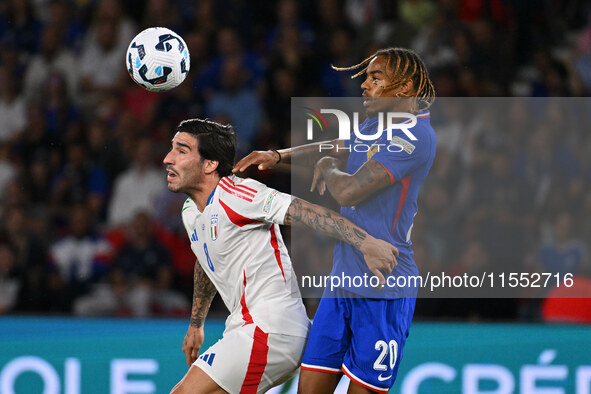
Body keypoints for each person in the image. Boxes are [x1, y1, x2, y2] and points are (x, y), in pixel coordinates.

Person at [233, 47, 437, 393]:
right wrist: (278, 155)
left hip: (384, 288)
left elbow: (349, 191)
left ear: (404, 88)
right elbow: (340, 145)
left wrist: (326, 168)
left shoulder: (415, 137)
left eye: (376, 77)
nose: (365, 85)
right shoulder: (377, 124)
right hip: (341, 283)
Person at [164, 118, 399, 394]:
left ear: (209, 164)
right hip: (248, 328)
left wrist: (366, 242)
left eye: (181, 150)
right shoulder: (191, 212)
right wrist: (196, 324)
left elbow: (306, 212)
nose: (168, 159)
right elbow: (207, 259)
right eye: (172, 148)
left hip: (270, 327)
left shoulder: (239, 194)